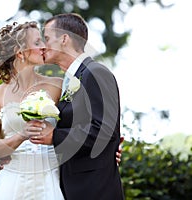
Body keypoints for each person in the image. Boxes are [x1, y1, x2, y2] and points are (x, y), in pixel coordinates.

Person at [0, 20, 122, 200]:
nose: (43, 46)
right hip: (13, 180)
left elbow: (88, 123)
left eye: (45, 39)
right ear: (20, 52)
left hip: (53, 180)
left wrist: (111, 148)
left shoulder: (59, 85)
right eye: (38, 42)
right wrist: (20, 137)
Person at [28, 13, 125, 200]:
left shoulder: (95, 72)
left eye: (46, 38)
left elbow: (104, 131)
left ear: (64, 39)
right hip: (72, 187)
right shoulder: (69, 80)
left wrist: (55, 135)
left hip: (94, 190)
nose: (42, 45)